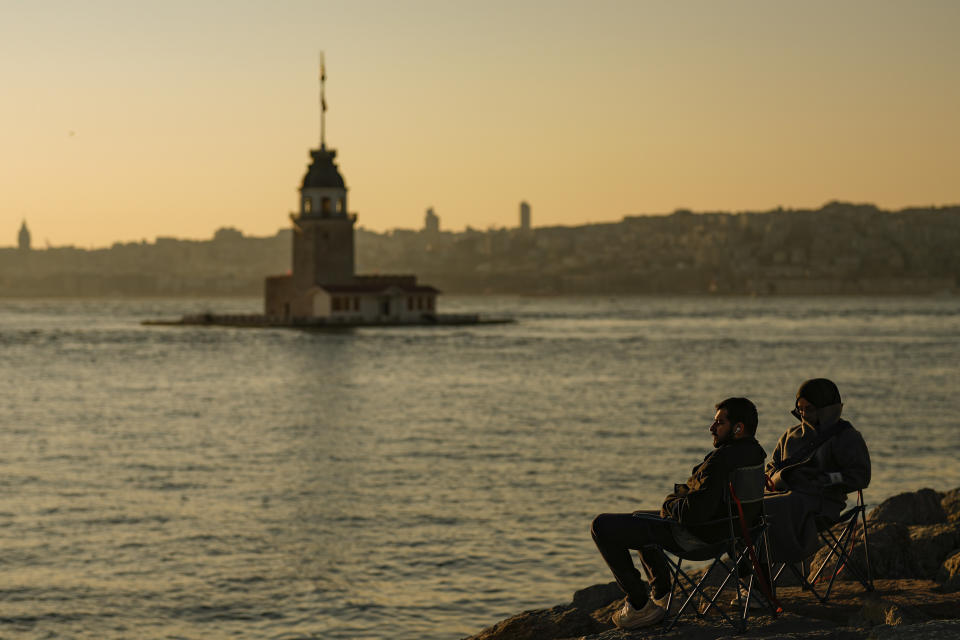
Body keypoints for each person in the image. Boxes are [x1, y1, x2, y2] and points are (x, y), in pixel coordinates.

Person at [591, 397, 766, 629]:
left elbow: (693, 513)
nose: (711, 428)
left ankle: (639, 605)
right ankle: (662, 596)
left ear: (738, 428)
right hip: (726, 536)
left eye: (719, 423)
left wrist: (670, 503)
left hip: (697, 538)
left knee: (601, 526)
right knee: (639, 516)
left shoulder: (721, 461)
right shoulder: (755, 454)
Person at [764, 378, 871, 563]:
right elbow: (771, 467)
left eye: (809, 408)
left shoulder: (846, 436)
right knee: (749, 508)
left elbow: (861, 476)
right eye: (800, 408)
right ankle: (756, 572)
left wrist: (825, 478)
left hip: (823, 503)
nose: (804, 414)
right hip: (786, 493)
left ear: (827, 408)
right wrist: (780, 475)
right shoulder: (791, 434)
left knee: (769, 508)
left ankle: (759, 576)